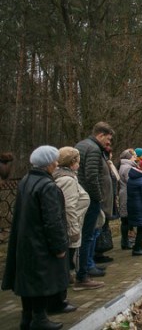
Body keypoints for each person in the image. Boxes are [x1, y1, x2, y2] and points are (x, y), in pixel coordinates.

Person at [2, 146, 68, 330]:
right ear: (48, 163)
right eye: (54, 161)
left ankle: (27, 316)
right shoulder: (47, 186)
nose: (56, 164)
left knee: (29, 279)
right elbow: (53, 220)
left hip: (26, 239)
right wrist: (59, 246)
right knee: (41, 280)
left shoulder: (26, 180)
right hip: (41, 241)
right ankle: (39, 320)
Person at [74, 121, 113, 290]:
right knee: (88, 235)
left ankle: (87, 267)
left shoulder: (81, 145)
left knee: (86, 235)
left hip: (81, 196)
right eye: (108, 139)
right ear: (100, 135)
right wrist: (98, 197)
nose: (108, 143)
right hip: (89, 199)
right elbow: (91, 176)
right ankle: (83, 274)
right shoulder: (94, 149)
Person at [51, 147, 89, 309]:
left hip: (71, 225)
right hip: (70, 228)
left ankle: (60, 296)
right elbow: (68, 207)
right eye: (78, 161)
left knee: (66, 264)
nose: (79, 164)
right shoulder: (67, 180)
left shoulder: (66, 177)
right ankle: (59, 299)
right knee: (65, 264)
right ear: (72, 162)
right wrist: (73, 230)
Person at [118, 149, 136, 250]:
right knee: (126, 219)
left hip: (124, 192)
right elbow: (131, 181)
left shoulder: (122, 166)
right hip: (127, 193)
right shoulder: (128, 168)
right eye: (133, 156)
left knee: (125, 219)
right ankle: (124, 241)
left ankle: (125, 240)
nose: (135, 158)